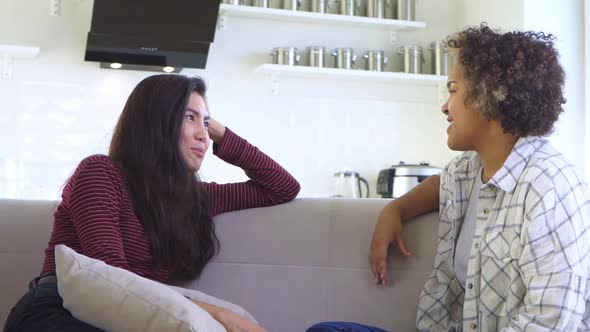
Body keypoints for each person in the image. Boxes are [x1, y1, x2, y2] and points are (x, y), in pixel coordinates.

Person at [3, 74, 300, 332]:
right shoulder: (100, 172)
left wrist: (220, 132)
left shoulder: (196, 198)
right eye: (189, 117)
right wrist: (220, 315)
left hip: (137, 318)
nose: (204, 136)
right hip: (60, 312)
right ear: (156, 122)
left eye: (206, 123)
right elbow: (111, 278)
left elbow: (282, 187)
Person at [369, 24, 590, 331]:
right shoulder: (469, 170)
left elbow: (549, 323)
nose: (445, 107)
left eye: (453, 90)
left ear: (489, 96)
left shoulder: (550, 188)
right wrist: (393, 211)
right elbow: (440, 186)